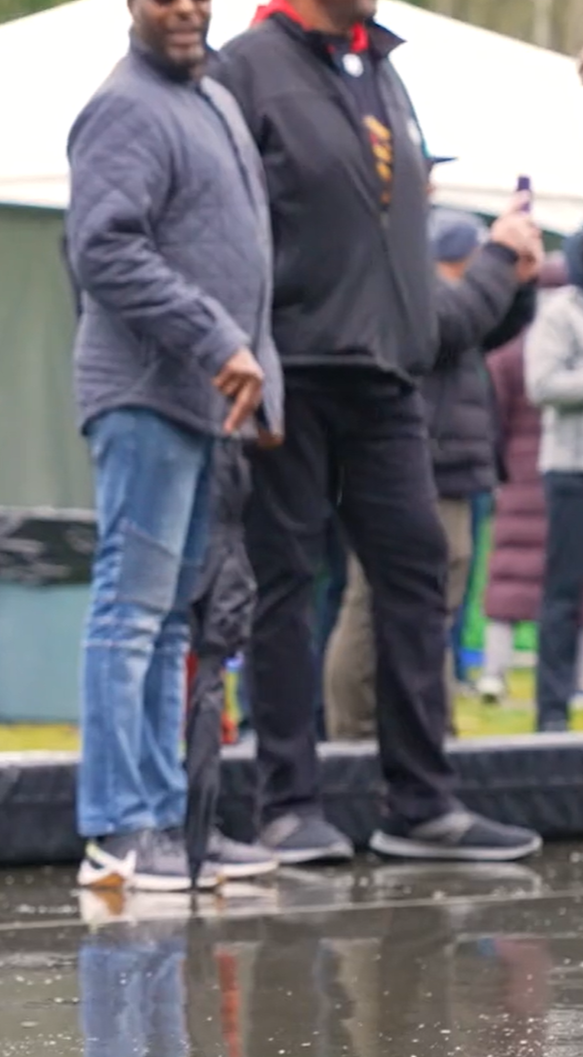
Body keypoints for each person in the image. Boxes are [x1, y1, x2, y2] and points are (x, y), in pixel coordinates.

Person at [211, 0, 543, 864]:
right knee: (285, 583)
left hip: (386, 377)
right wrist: (241, 348)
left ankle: (421, 803)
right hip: (292, 366)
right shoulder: (248, 69)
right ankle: (286, 803)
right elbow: (217, 221)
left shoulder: (379, 69)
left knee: (416, 572)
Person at [65, 0, 284, 892]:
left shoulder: (213, 99)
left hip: (203, 399)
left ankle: (168, 827)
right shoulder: (125, 106)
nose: (186, 6)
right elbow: (104, 250)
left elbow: (244, 256)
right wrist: (217, 340)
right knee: (131, 614)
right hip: (145, 393)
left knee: (166, 625)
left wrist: (260, 369)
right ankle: (120, 832)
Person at [323, 208, 537, 738]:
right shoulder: (413, 282)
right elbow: (451, 324)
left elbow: (487, 326)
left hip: (445, 471)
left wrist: (519, 283)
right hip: (416, 470)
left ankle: (425, 733)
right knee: (376, 605)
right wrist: (502, 257)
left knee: (426, 611)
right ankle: (356, 731)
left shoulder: (435, 283)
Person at [480, 254, 572, 702]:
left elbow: (492, 420)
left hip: (518, 476)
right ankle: (569, 683)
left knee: (508, 581)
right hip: (559, 469)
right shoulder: (560, 335)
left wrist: (498, 470)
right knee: (567, 583)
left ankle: (492, 673)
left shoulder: (507, 351)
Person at [523, 231, 583, 732]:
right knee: (563, 593)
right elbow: (541, 384)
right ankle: (551, 711)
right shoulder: (559, 313)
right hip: (570, 470)